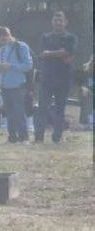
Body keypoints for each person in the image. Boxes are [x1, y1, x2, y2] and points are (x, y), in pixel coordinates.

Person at [33, 10, 76, 144]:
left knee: (60, 108)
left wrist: (50, 53)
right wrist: (61, 53)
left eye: (61, 20)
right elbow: (42, 54)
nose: (58, 22)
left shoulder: (71, 38)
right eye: (56, 20)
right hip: (46, 77)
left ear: (65, 22)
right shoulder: (44, 37)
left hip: (63, 78)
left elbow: (68, 57)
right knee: (42, 108)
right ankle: (39, 137)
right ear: (52, 22)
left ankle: (56, 137)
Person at [0, 26, 33, 144]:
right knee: (9, 113)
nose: (4, 39)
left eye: (5, 35)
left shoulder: (21, 47)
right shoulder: (2, 50)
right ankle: (12, 137)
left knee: (19, 111)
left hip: (18, 85)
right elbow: (2, 68)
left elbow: (28, 66)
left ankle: (24, 137)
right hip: (4, 85)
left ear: (10, 34)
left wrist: (11, 66)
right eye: (1, 37)